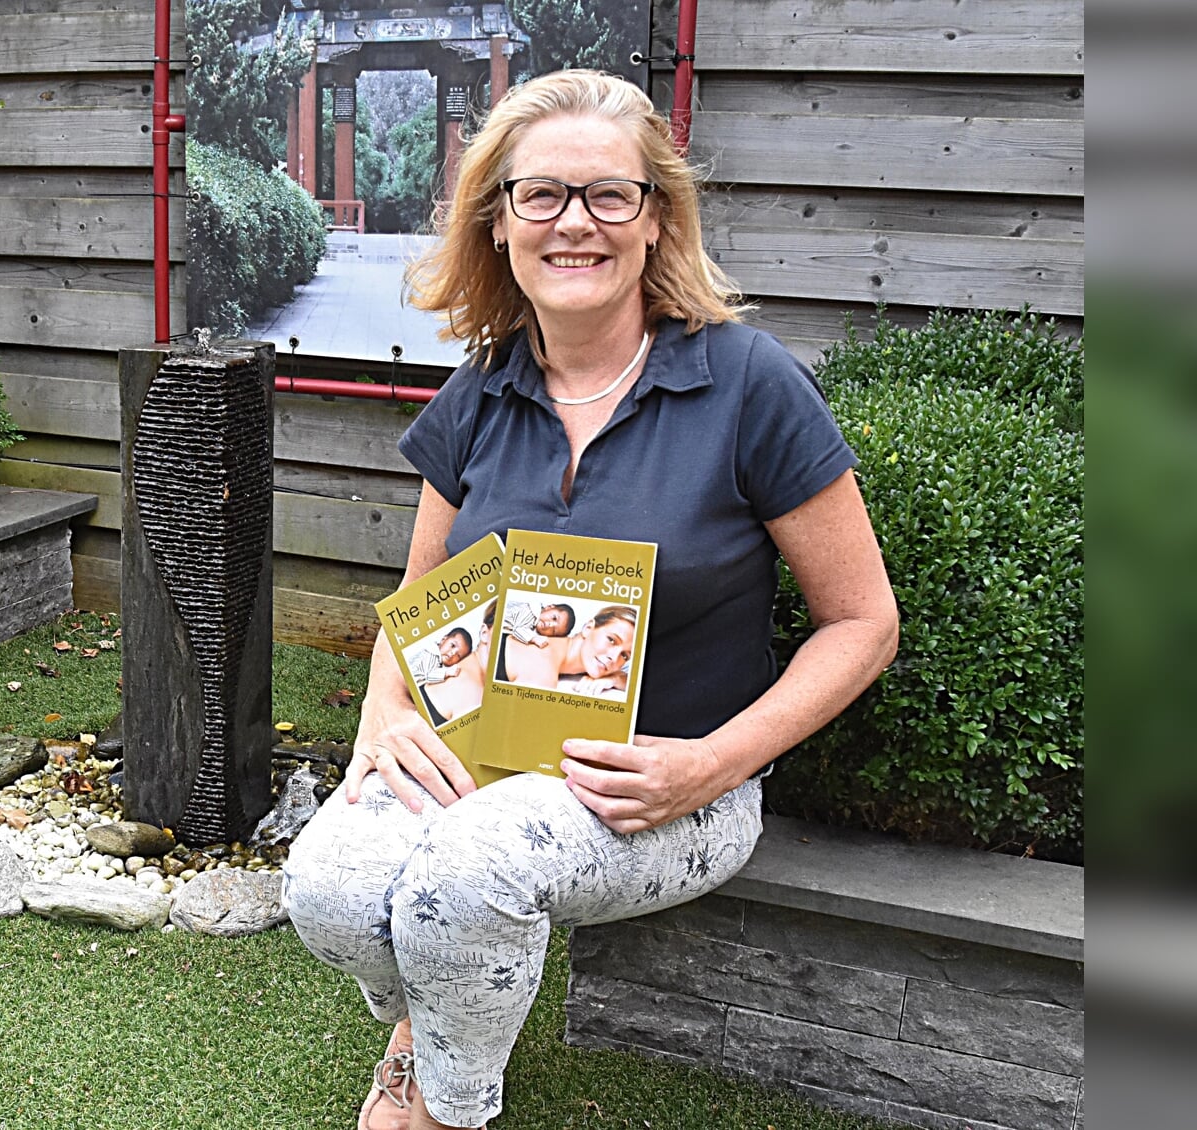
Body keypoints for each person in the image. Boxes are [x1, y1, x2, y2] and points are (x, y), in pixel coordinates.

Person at [280, 70, 897, 1130]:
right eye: (543, 195)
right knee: (328, 883)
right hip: (480, 748)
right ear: (501, 221)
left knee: (468, 876)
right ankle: (429, 1020)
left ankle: (435, 1104)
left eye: (611, 195)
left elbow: (864, 622)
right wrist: (384, 710)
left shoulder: (749, 382)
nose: (577, 223)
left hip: (671, 786)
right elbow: (417, 600)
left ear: (657, 220)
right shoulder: (480, 388)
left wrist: (713, 762)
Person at [494, 600, 577, 685]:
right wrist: (533, 638)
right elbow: (517, 630)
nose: (550, 625)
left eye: (553, 631)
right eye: (554, 618)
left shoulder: (532, 623)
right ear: (549, 607)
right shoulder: (530, 612)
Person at [408, 628, 474, 725]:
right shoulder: (431, 654)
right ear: (443, 639)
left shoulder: (437, 660)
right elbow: (429, 675)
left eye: (458, 655)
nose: (452, 653)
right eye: (453, 645)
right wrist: (447, 672)